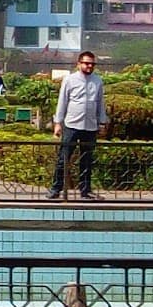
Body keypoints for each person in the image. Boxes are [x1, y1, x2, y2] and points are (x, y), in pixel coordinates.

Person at [51, 51, 108, 200]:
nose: (89, 66)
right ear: (79, 64)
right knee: (63, 159)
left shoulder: (98, 81)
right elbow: (62, 101)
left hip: (90, 126)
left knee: (87, 160)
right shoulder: (69, 80)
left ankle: (85, 190)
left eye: (92, 64)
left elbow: (100, 103)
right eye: (87, 63)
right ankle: (56, 189)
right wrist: (58, 122)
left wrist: (102, 122)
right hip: (72, 124)